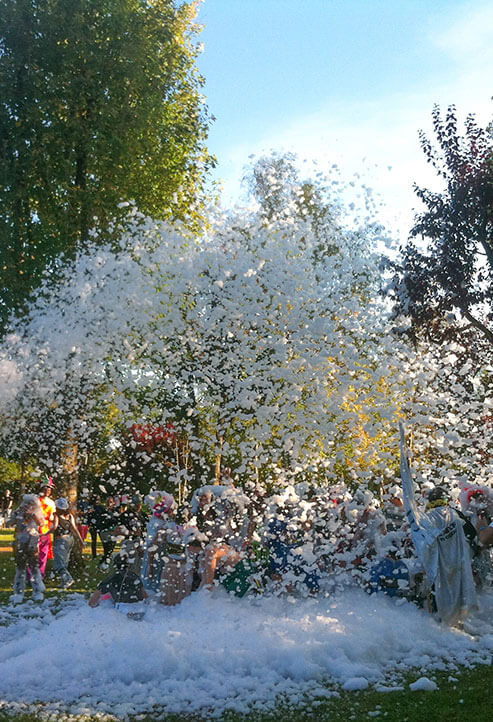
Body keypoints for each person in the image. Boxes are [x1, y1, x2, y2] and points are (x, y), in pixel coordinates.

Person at [399, 424, 478, 624]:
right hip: (459, 566)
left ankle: (439, 628)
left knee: (438, 601)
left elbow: (416, 521)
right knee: (458, 600)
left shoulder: (428, 518)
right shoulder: (457, 514)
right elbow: (472, 537)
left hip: (440, 570)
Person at [8, 494, 46, 603]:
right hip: (20, 542)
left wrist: (33, 515)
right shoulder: (19, 512)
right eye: (27, 503)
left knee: (34, 567)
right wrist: (15, 515)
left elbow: (42, 523)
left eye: (31, 503)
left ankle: (37, 591)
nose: (28, 505)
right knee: (20, 568)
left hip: (33, 542)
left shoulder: (37, 512)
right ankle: (18, 592)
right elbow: (9, 523)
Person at [88, 552, 148, 617]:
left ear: (115, 565)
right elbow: (145, 595)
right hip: (140, 607)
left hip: (123, 609)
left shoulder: (111, 578)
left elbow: (92, 601)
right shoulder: (135, 576)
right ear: (128, 564)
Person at [52, 498, 84, 589]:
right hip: (70, 539)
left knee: (59, 562)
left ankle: (68, 579)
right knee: (65, 561)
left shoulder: (56, 516)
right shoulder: (70, 516)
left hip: (60, 540)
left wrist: (44, 534)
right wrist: (81, 541)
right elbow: (74, 529)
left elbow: (54, 527)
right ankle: (64, 581)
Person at [37, 477, 57, 577]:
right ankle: (30, 575)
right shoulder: (35, 500)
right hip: (34, 529)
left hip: (46, 530)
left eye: (49, 489)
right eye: (45, 488)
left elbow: (53, 516)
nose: (47, 491)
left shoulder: (51, 502)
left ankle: (41, 574)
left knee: (43, 554)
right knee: (32, 553)